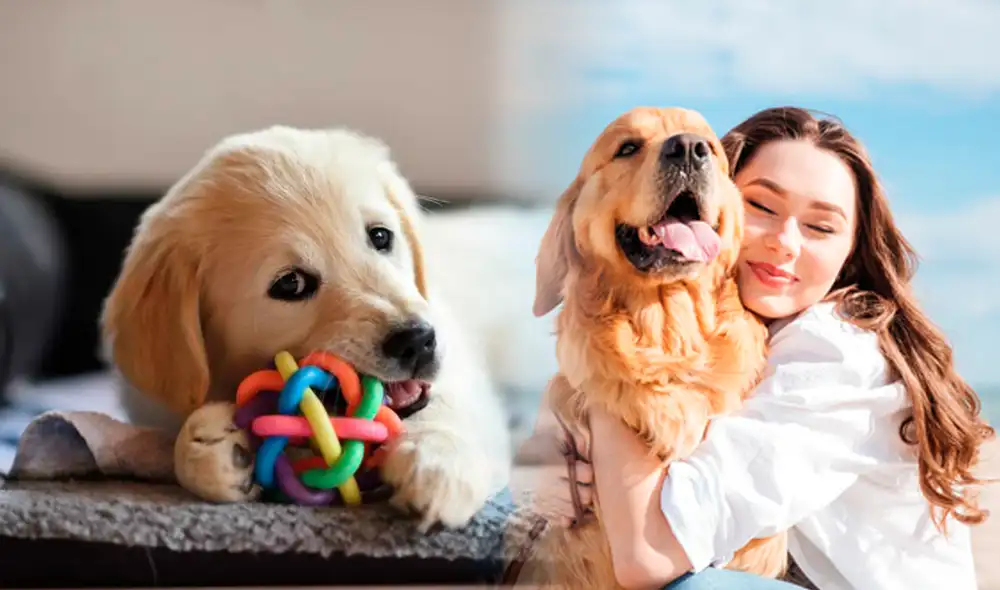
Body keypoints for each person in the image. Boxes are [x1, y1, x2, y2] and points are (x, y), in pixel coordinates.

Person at [519, 106, 995, 590]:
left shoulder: (833, 352)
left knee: (697, 586)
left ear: (851, 251)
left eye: (821, 227)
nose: (785, 243)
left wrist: (601, 385)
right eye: (762, 208)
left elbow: (648, 552)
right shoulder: (751, 337)